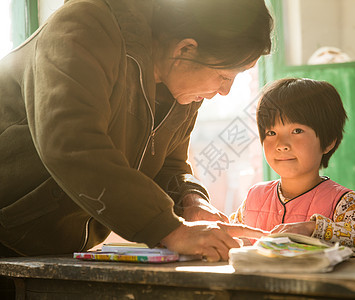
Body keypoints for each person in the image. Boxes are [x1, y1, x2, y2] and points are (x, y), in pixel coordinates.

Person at [0, 0, 273, 262]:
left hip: (53, 249)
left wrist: (190, 201)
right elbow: (72, 146)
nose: (225, 91)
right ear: (186, 50)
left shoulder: (180, 85)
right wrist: (169, 229)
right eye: (225, 76)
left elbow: (170, 164)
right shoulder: (84, 26)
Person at [230, 78, 355, 256]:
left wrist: (314, 228)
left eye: (296, 131)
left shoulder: (343, 202)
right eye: (271, 133)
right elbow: (231, 237)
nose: (281, 144)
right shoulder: (254, 197)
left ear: (328, 142)